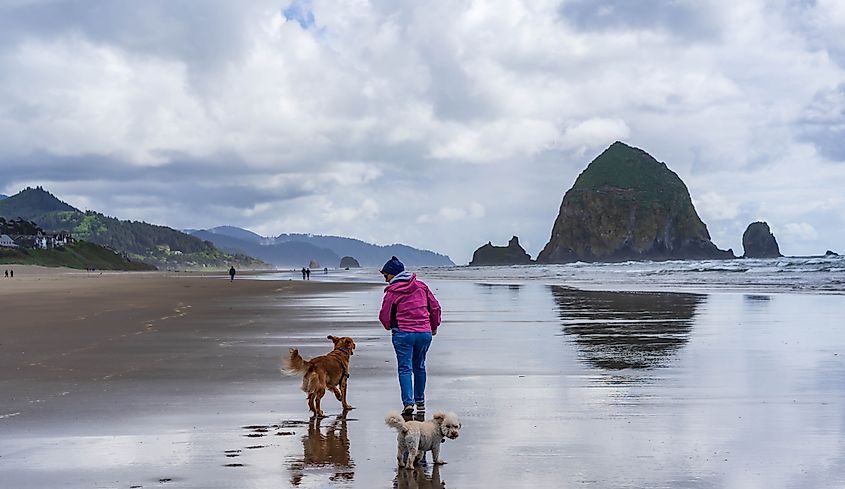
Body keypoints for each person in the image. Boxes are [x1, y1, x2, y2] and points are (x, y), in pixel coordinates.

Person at [378, 256, 441, 415]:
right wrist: (433, 327)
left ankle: (408, 403)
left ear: (393, 274)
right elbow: (435, 308)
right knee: (419, 366)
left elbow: (385, 315)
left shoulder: (392, 292)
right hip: (424, 333)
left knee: (405, 368)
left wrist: (389, 326)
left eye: (386, 276)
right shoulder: (421, 286)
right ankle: (420, 400)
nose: (385, 280)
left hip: (403, 333)